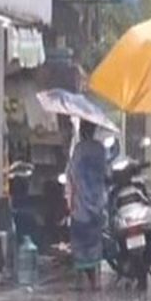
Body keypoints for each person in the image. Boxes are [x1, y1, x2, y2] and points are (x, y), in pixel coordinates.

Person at [66, 119, 108, 289]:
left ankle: (79, 281)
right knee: (95, 241)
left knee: (79, 242)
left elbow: (72, 175)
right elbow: (106, 171)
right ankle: (95, 281)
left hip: (81, 203)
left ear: (82, 131)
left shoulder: (79, 149)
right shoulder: (100, 149)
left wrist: (71, 201)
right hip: (97, 202)